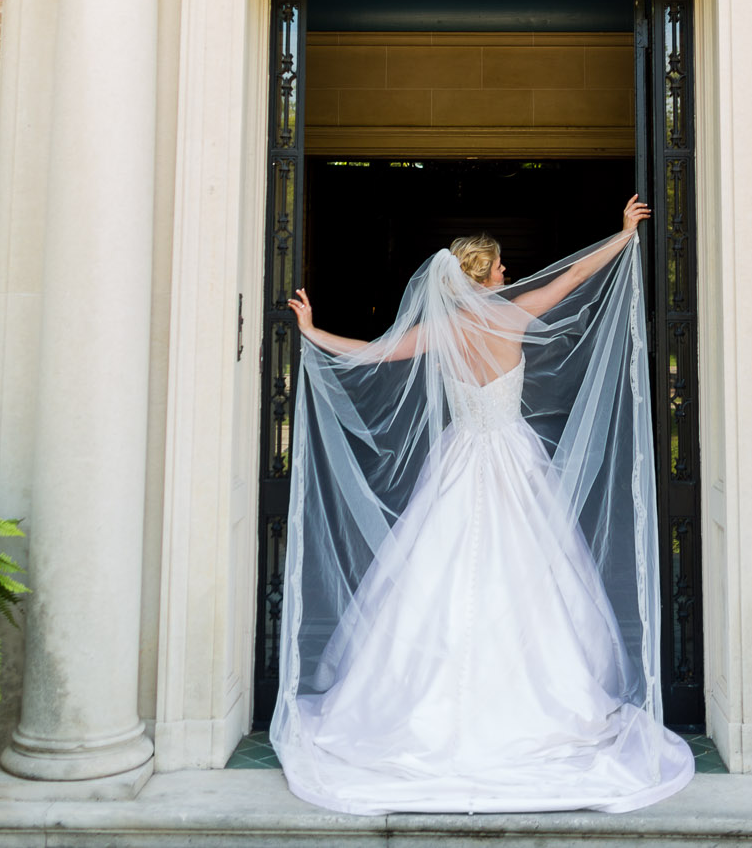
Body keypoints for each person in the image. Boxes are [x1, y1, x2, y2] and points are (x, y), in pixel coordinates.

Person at [269, 195, 695, 815]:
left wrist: (311, 332)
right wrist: (624, 235)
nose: (507, 271)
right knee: (527, 578)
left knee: (432, 577)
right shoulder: (514, 317)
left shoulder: (441, 330)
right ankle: (532, 706)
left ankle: (415, 709)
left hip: (459, 462)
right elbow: (577, 275)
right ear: (484, 274)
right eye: (500, 266)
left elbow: (371, 351)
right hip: (513, 463)